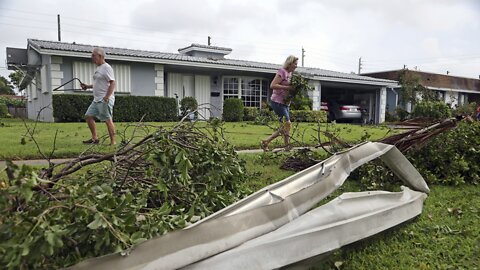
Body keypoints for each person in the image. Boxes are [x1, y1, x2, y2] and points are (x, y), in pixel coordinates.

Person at [261, 55, 298, 151]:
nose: (296, 66)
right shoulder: (282, 72)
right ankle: (268, 142)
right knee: (287, 124)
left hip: (285, 103)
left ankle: (284, 146)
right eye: (295, 64)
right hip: (277, 102)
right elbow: (272, 85)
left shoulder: (290, 75)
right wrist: (288, 88)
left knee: (285, 126)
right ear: (290, 63)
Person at [80, 47, 116, 145]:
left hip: (104, 99)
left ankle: (113, 142)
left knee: (108, 120)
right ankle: (94, 139)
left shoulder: (107, 67)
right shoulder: (99, 68)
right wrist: (87, 86)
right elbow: (98, 84)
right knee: (88, 116)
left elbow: (112, 83)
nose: (91, 57)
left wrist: (107, 96)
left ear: (100, 56)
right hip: (96, 100)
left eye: (93, 55)